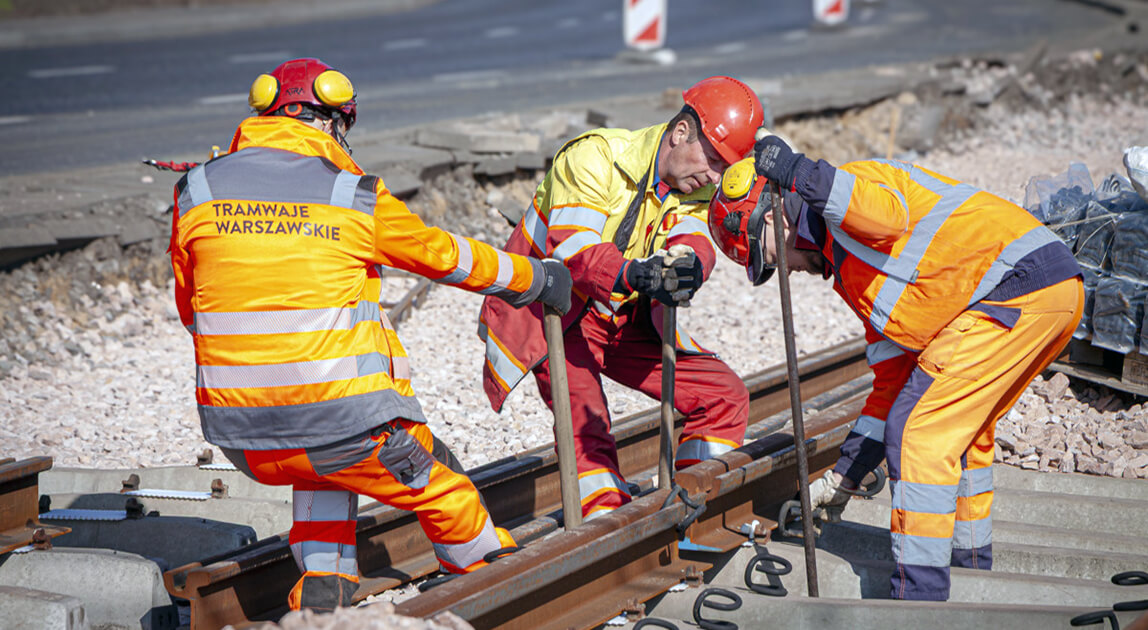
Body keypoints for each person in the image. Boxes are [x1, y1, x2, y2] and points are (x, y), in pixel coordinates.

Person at [169, 58, 572, 612]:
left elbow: (191, 309)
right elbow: (443, 256)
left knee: (322, 474)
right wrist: (536, 278)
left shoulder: (197, 188)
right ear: (335, 123)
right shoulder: (350, 194)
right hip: (344, 427)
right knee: (444, 486)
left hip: (240, 435)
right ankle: (492, 589)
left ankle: (320, 598)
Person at [707, 138, 1084, 601]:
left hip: (1018, 286)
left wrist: (795, 170)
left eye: (766, 256)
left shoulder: (854, 191)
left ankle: (920, 600)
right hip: (1042, 294)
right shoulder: (854, 277)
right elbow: (890, 386)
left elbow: (884, 214)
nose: (782, 271)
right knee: (961, 436)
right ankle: (971, 576)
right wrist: (842, 480)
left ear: (771, 218)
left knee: (917, 434)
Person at [478, 76, 760, 520]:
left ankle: (692, 507)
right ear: (681, 132)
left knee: (724, 397)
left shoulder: (695, 183)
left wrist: (691, 265)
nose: (713, 177)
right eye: (711, 161)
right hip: (554, 313)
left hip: (620, 312)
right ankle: (607, 528)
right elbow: (572, 251)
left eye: (723, 169)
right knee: (586, 423)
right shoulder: (593, 157)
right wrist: (634, 273)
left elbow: (691, 236)